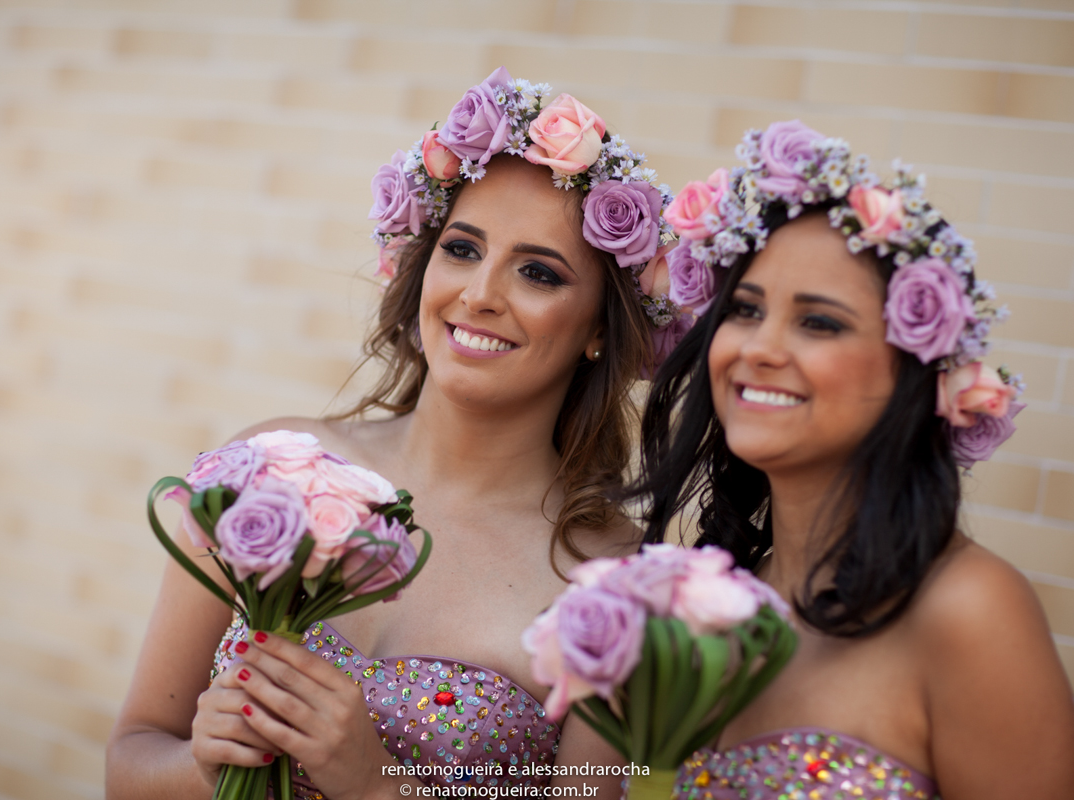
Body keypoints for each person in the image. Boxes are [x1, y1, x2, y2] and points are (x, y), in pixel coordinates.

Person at [106, 67, 682, 799]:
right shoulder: (271, 468)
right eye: (463, 249)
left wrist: (380, 786)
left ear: (601, 329)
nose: (478, 295)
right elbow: (127, 763)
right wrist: (200, 763)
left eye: (537, 273)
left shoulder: (617, 585)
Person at [636, 121, 1074, 799]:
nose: (759, 348)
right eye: (747, 309)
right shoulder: (711, 607)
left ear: (914, 371)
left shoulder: (970, 610)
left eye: (819, 322)